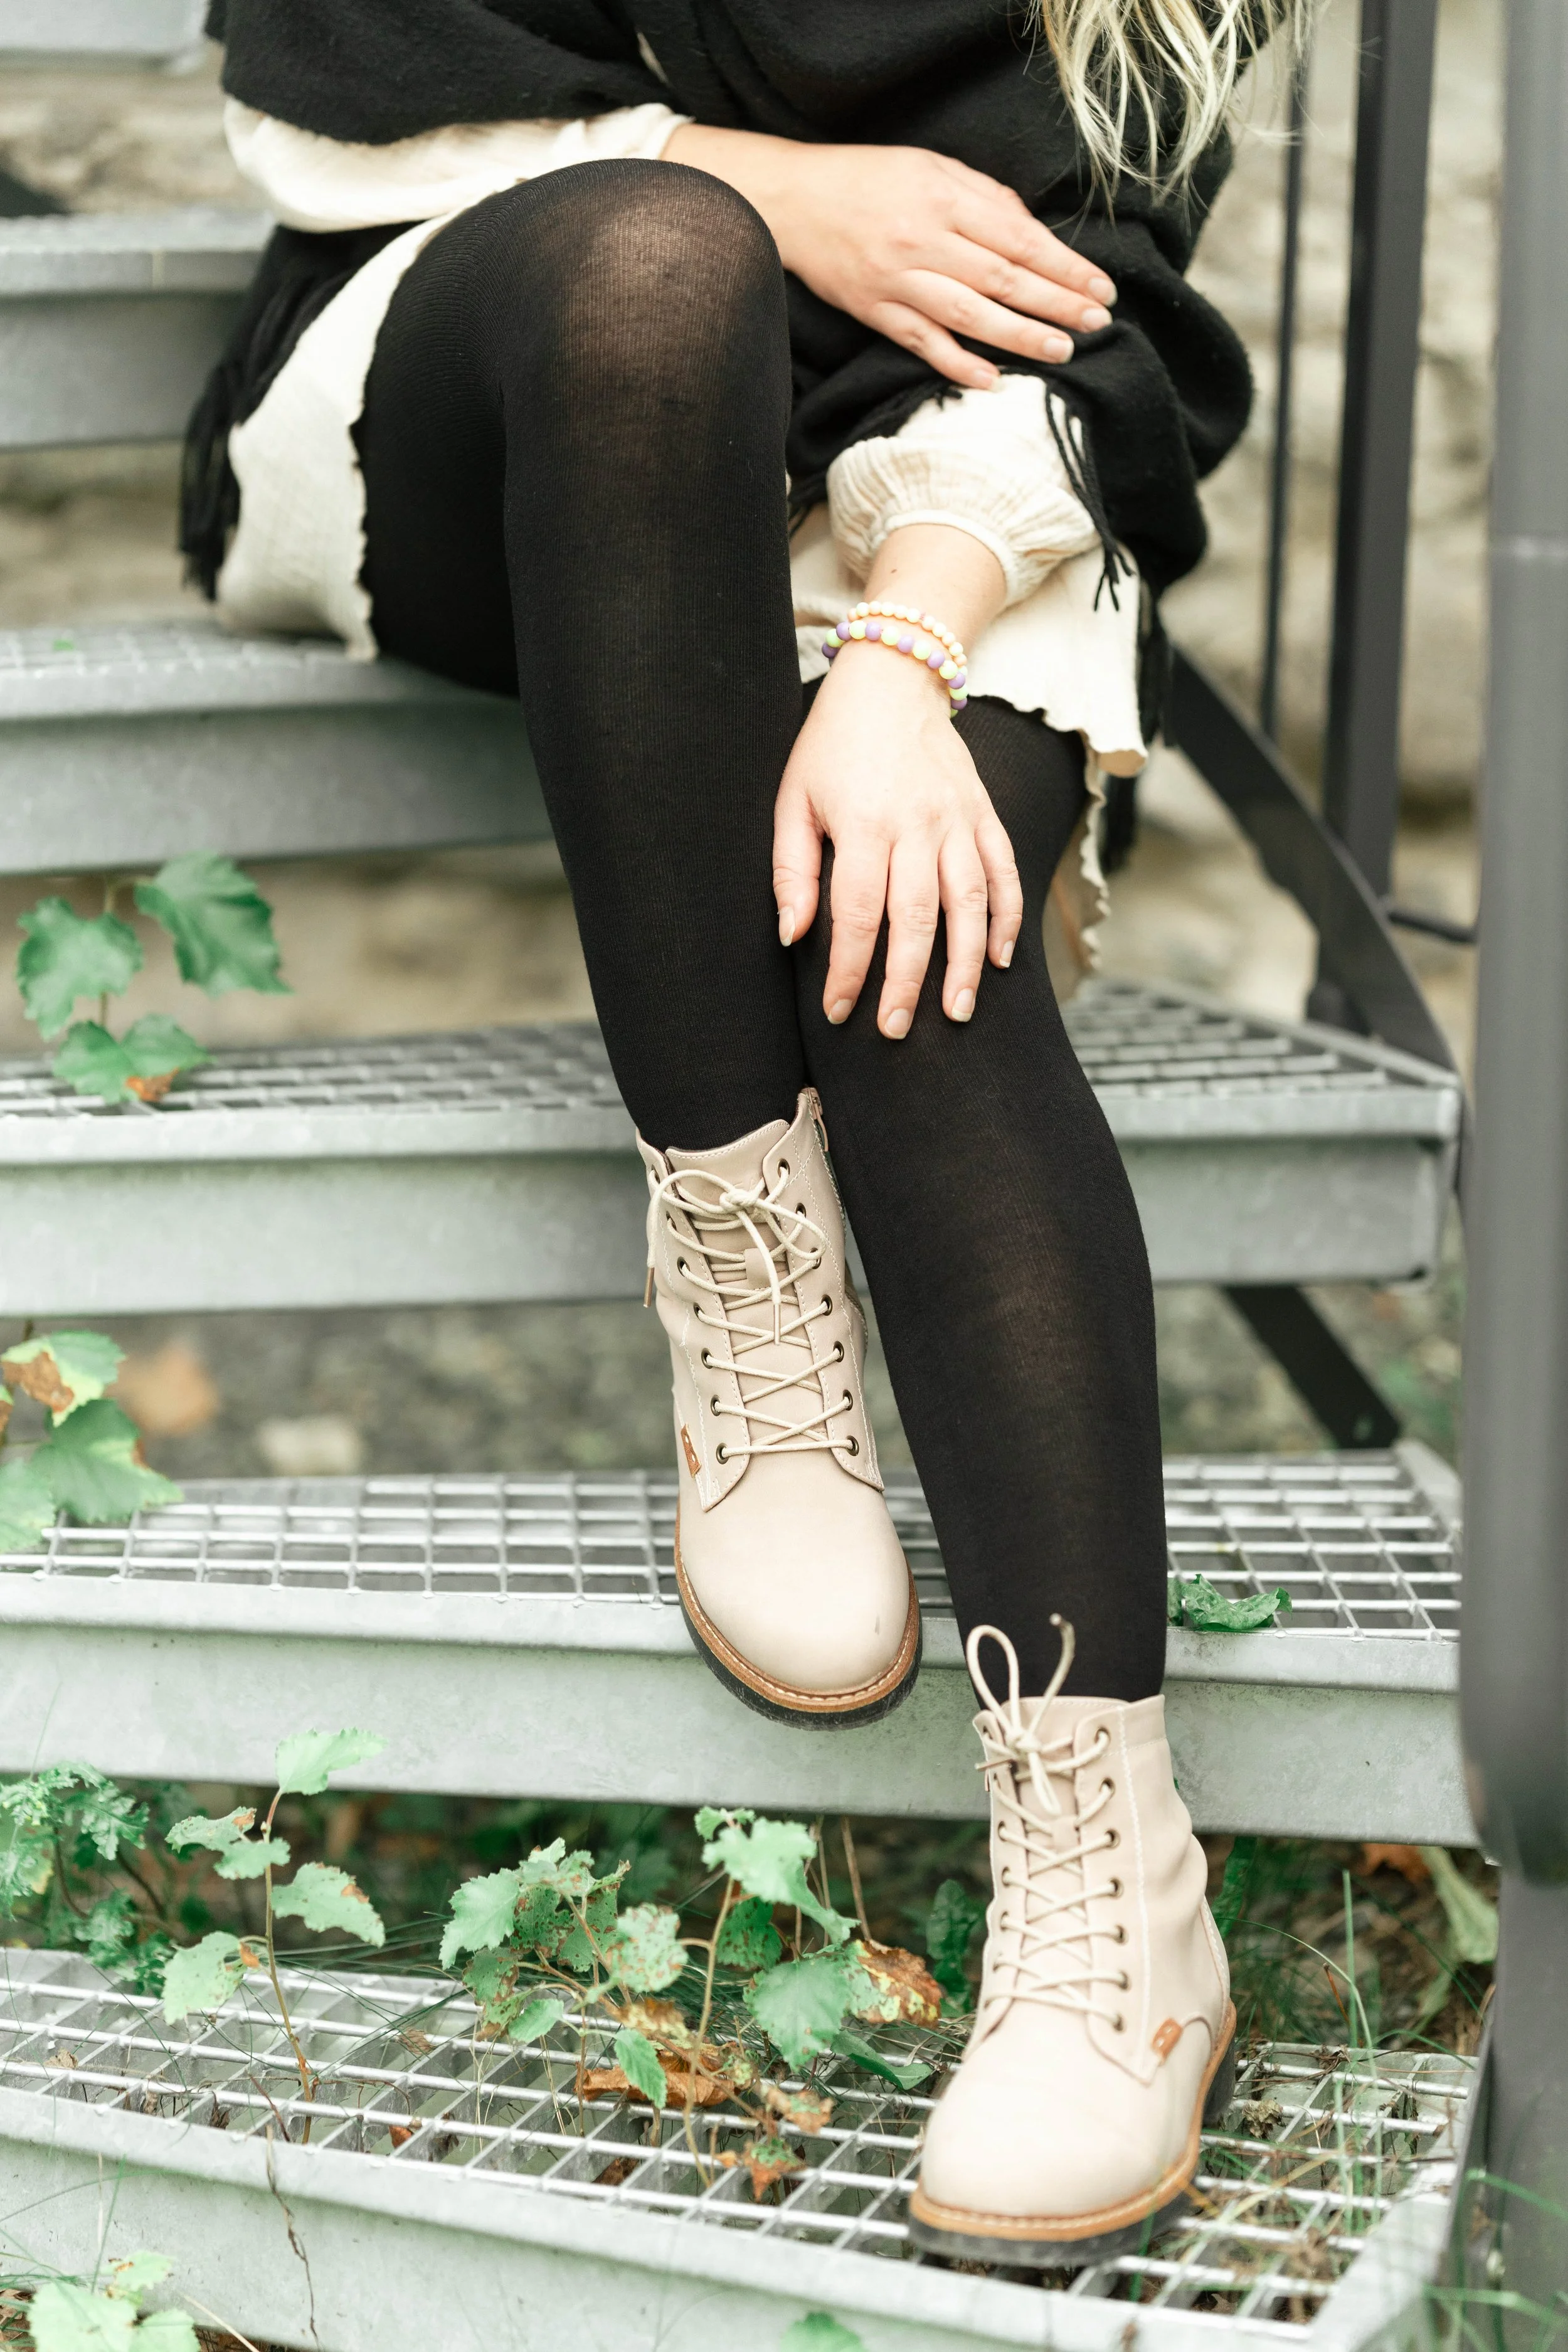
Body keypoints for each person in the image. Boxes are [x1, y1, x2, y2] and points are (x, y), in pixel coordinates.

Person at [185, 0, 1301, 2267]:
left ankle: (1115, 1909)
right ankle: (747, 1272)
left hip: (944, 487)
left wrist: (899, 655)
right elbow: (324, 67)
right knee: (657, 264)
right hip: (487, 341)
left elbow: (1105, 317)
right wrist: (726, 167)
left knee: (914, 913)